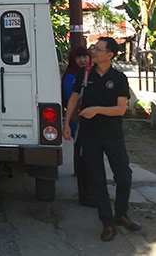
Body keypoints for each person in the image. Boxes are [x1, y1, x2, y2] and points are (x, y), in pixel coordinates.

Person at [62, 37, 141, 242]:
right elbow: (73, 98)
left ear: (110, 55)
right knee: (97, 179)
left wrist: (96, 110)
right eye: (93, 48)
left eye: (98, 49)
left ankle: (121, 214)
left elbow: (121, 109)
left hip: (112, 135)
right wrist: (66, 124)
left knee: (124, 175)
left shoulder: (119, 78)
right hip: (89, 135)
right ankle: (107, 223)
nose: (93, 52)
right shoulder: (85, 73)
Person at [62, 45, 94, 206]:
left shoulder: (92, 74)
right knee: (82, 153)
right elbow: (72, 98)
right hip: (78, 121)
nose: (82, 60)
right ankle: (86, 195)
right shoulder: (70, 77)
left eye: (85, 56)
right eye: (78, 57)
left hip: (90, 121)